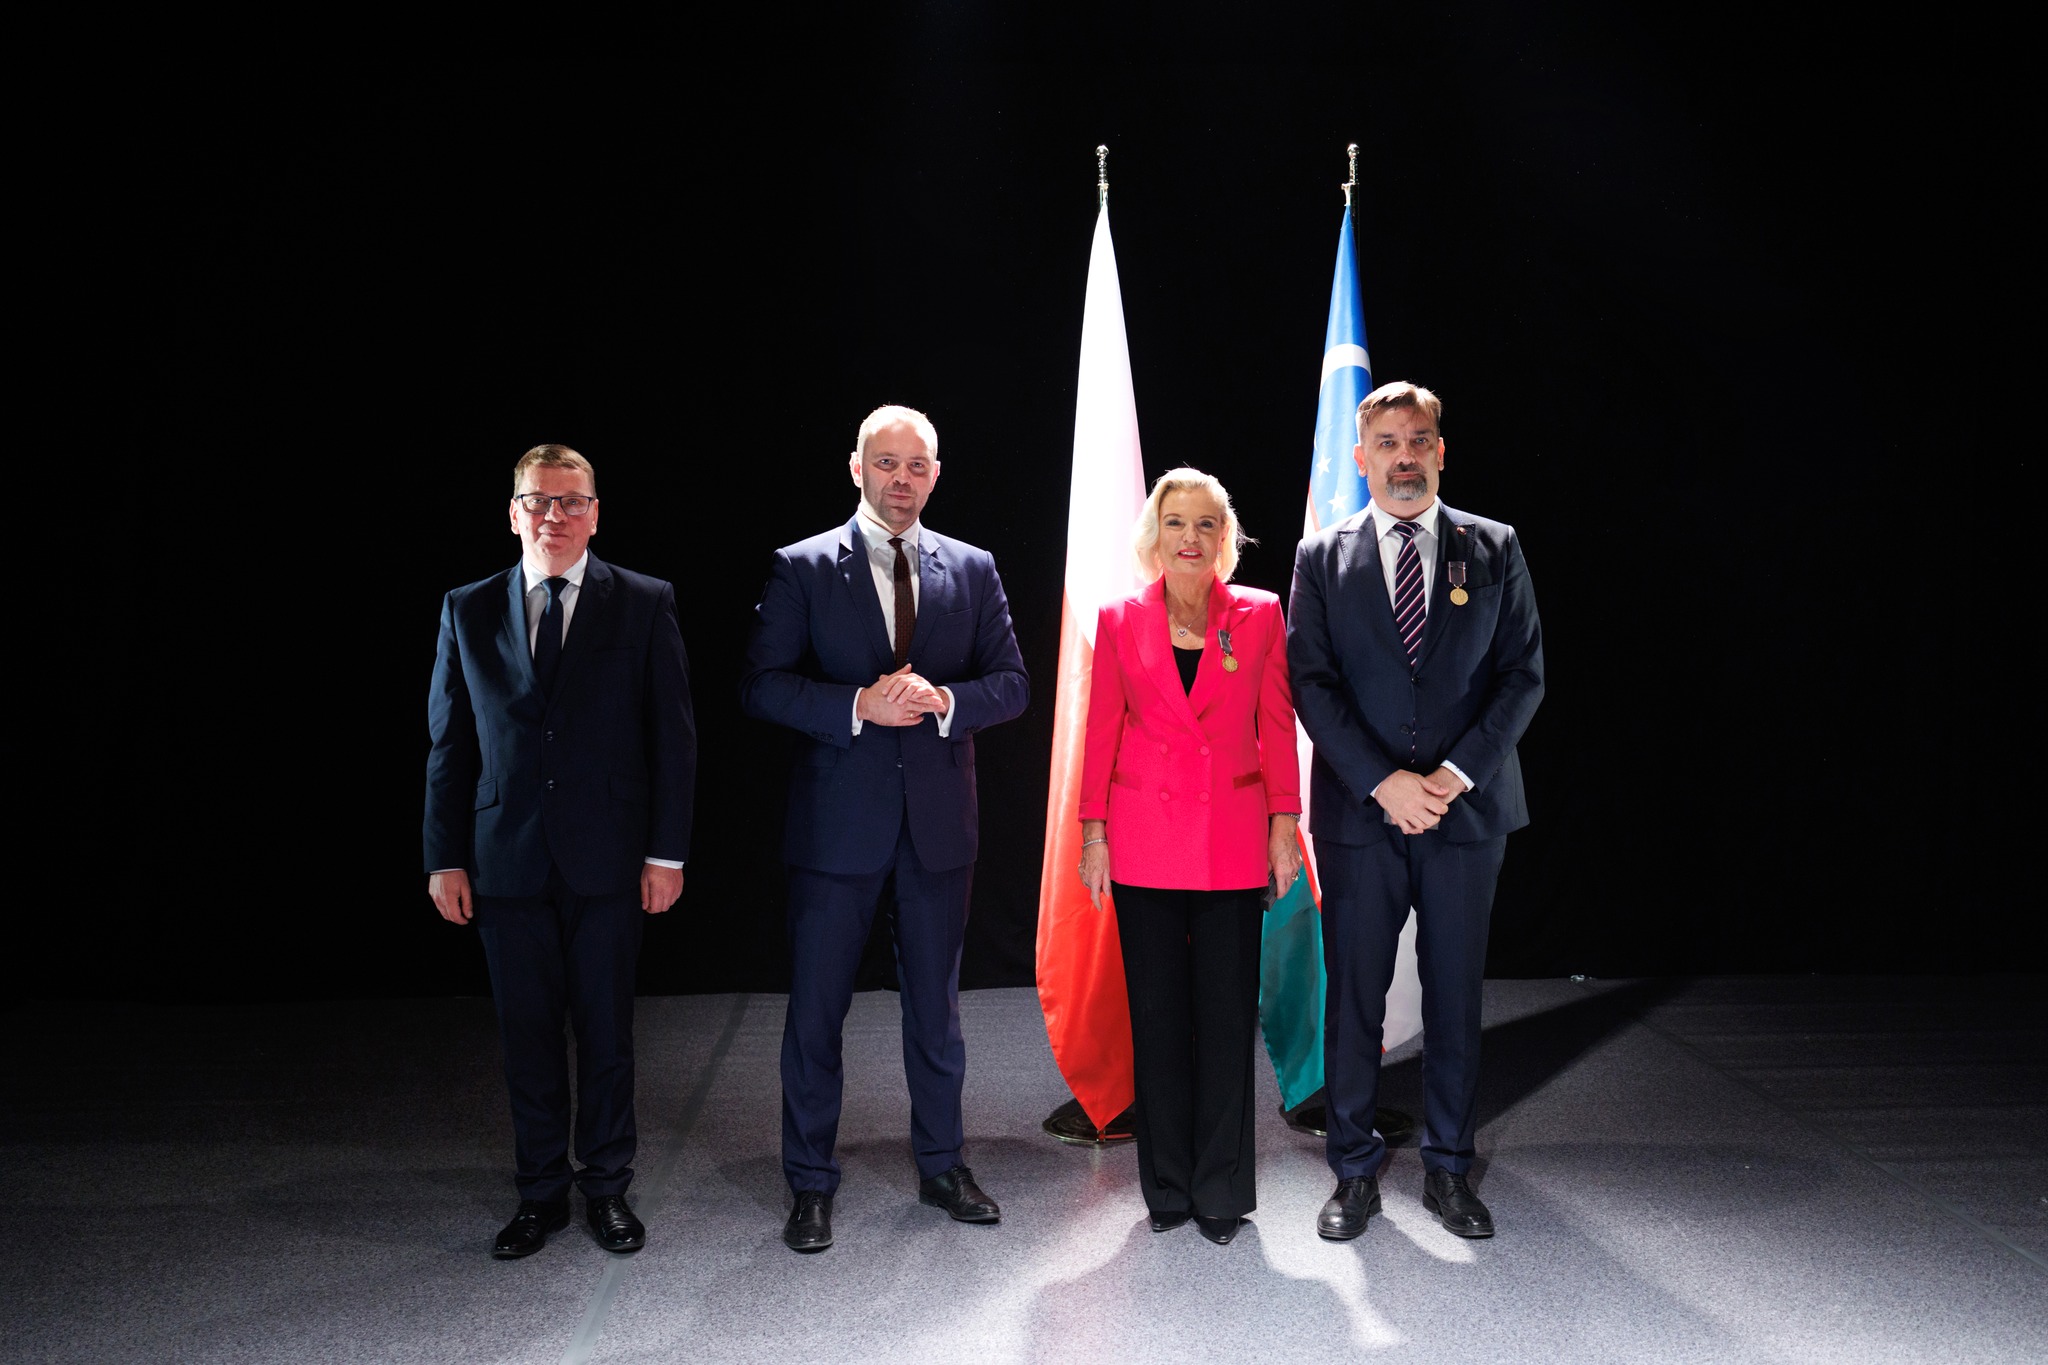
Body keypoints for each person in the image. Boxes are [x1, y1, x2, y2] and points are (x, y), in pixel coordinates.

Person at [740, 404, 1029, 1254]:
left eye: (917, 466)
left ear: (935, 476)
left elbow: (1012, 683)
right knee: (816, 1012)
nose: (901, 479)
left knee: (936, 1012)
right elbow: (761, 685)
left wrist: (945, 700)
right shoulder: (801, 566)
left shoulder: (972, 567)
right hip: (835, 830)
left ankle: (943, 1165)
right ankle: (810, 1181)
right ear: (857, 467)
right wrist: (856, 705)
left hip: (938, 829)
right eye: (886, 462)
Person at [425, 444, 696, 1259]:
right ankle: (540, 1193)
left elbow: (673, 739)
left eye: (571, 500)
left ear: (595, 514)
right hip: (503, 861)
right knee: (528, 1037)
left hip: (609, 859)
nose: (555, 515)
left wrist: (668, 854)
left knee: (607, 1032)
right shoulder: (467, 608)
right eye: (538, 501)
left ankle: (607, 1186)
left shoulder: (644, 601)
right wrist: (443, 856)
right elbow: (450, 744)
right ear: (513, 514)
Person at [1287, 381, 1544, 1240]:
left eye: (1419, 439)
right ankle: (1353, 1170)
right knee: (1355, 998)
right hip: (1362, 817)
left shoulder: (1494, 545)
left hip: (1466, 817)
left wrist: (1454, 776)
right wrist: (1384, 782)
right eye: (1388, 443)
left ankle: (1449, 1169)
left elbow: (1523, 676)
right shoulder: (1322, 556)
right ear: (1361, 458)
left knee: (1454, 998)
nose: (1405, 456)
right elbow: (1310, 682)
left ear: (1441, 451)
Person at [1076, 468, 1302, 1246]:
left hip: (1233, 843)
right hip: (1142, 844)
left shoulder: (1260, 614)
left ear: (1224, 538)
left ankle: (1221, 1186)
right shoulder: (1120, 618)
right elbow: (1101, 730)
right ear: (1155, 534)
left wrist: (1284, 825)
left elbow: (1277, 726)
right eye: (1176, 522)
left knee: (1227, 1018)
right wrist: (1093, 832)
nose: (1191, 538)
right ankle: (1168, 1183)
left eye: (1206, 524)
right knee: (1158, 1018)